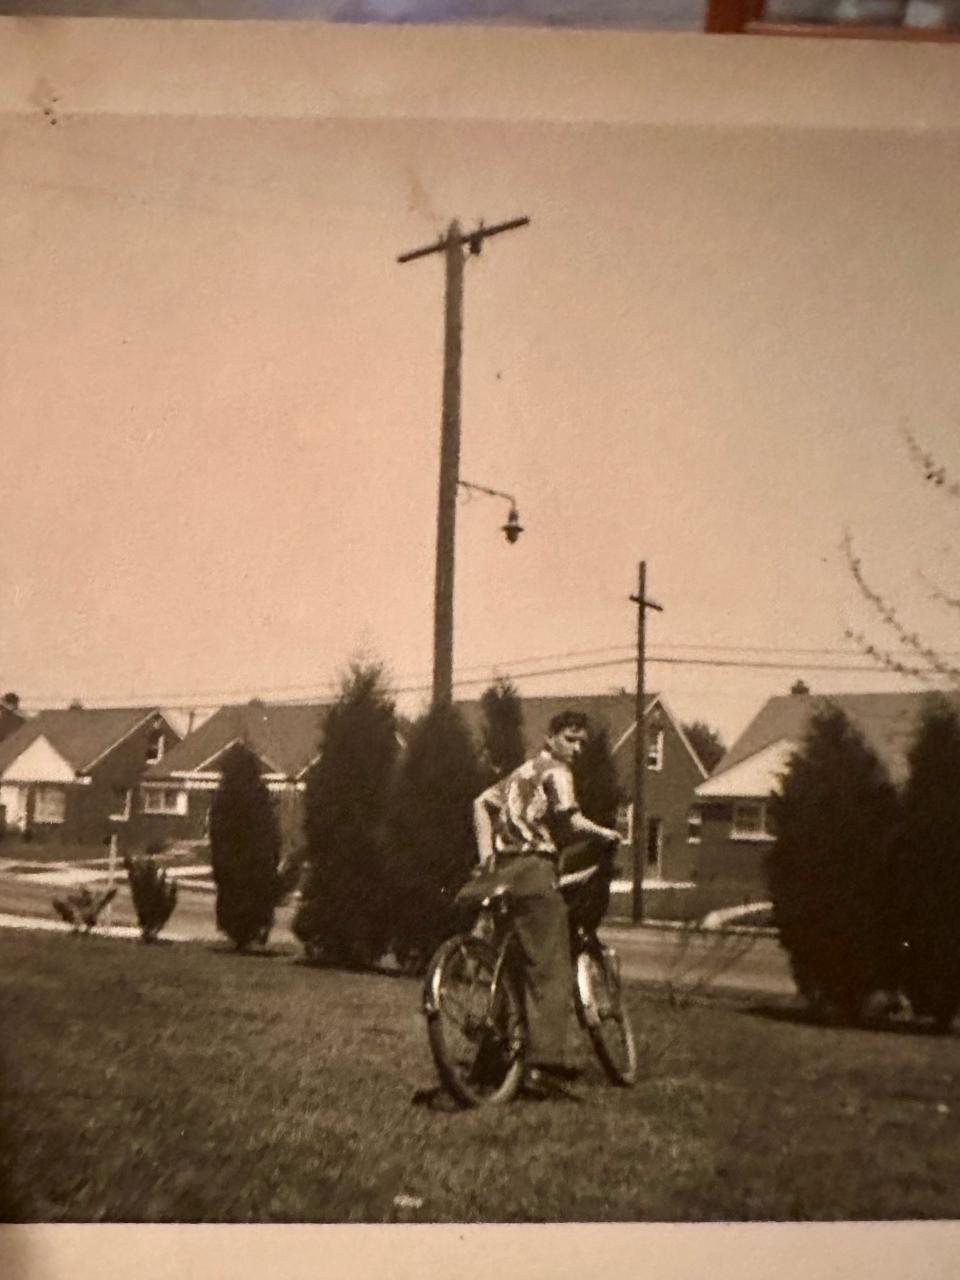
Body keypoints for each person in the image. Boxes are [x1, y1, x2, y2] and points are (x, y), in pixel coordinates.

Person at [472, 709, 620, 1094]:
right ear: (551, 737)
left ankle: (495, 1058)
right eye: (571, 739)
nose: (576, 748)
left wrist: (486, 854)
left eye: (581, 742)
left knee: (511, 966)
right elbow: (570, 821)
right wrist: (605, 834)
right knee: (551, 964)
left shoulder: (521, 773)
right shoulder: (557, 772)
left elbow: (480, 804)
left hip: (503, 872)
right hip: (535, 870)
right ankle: (543, 1065)